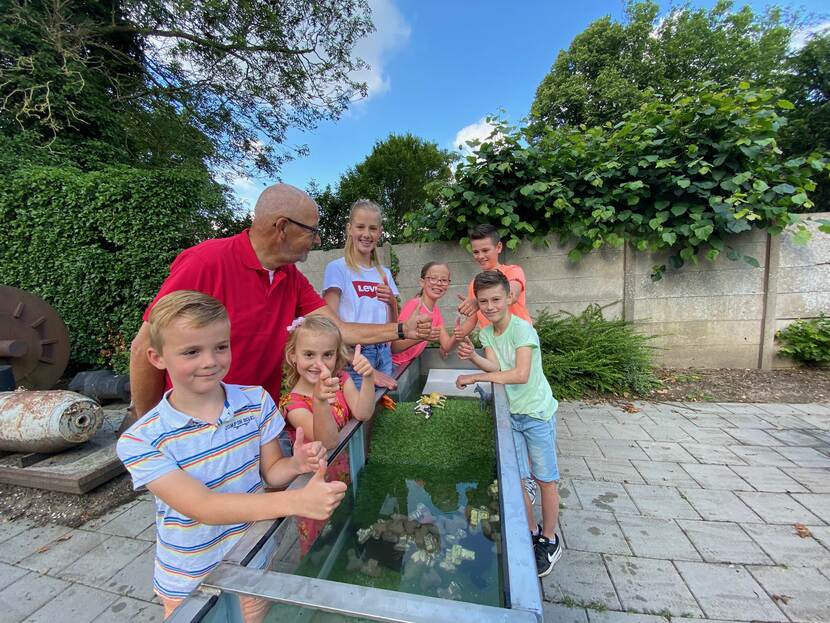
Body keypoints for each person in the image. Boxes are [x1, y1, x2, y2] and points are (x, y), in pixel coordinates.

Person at [124, 184, 436, 431]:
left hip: (260, 419)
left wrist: (401, 329)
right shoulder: (204, 262)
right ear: (282, 227)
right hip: (199, 425)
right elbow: (144, 348)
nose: (315, 241)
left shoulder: (290, 277)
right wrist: (152, 425)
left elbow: (337, 329)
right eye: (311, 231)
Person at [116, 291, 348, 621]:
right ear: (157, 357)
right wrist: (297, 501)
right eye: (191, 351)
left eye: (220, 347)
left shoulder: (256, 402)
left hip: (250, 560)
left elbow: (270, 472)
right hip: (189, 576)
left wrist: (295, 464)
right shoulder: (142, 439)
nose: (210, 361)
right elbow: (204, 506)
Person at [455, 270, 561, 577]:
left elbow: (519, 374)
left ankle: (550, 538)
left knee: (545, 479)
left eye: (496, 300)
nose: (489, 307)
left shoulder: (522, 329)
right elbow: (497, 365)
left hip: (537, 414)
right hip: (513, 415)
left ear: (509, 298)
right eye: (484, 301)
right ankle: (529, 530)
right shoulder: (487, 333)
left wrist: (476, 376)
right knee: (518, 479)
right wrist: (473, 357)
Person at [280, 315, 376, 554]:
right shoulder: (292, 403)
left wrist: (368, 378)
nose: (319, 364)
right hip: (314, 487)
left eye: (327, 355)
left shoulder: (342, 380)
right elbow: (328, 441)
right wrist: (320, 400)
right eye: (309, 354)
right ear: (293, 356)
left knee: (344, 526)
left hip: (345, 473)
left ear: (337, 355)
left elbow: (363, 413)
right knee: (319, 542)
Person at [323, 199, 399, 389]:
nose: (366, 234)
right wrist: (356, 361)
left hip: (383, 351)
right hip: (353, 355)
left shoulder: (384, 273)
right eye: (360, 227)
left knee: (382, 411)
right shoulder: (337, 269)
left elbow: (392, 328)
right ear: (350, 229)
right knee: (358, 415)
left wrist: (391, 302)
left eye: (373, 228)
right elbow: (328, 325)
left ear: (380, 232)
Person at [455, 223, 532, 339]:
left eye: (485, 250)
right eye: (476, 252)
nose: (480, 256)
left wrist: (477, 301)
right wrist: (454, 338)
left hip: (520, 338)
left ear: (499, 247)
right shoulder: (474, 284)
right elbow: (472, 320)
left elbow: (512, 294)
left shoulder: (513, 271)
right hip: (492, 343)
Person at [391, 261, 457, 367]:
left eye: (444, 280)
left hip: (409, 364)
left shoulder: (436, 312)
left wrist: (461, 333)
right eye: (433, 278)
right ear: (422, 282)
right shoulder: (414, 306)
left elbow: (447, 345)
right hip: (394, 365)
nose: (439, 283)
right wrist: (422, 337)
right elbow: (394, 346)